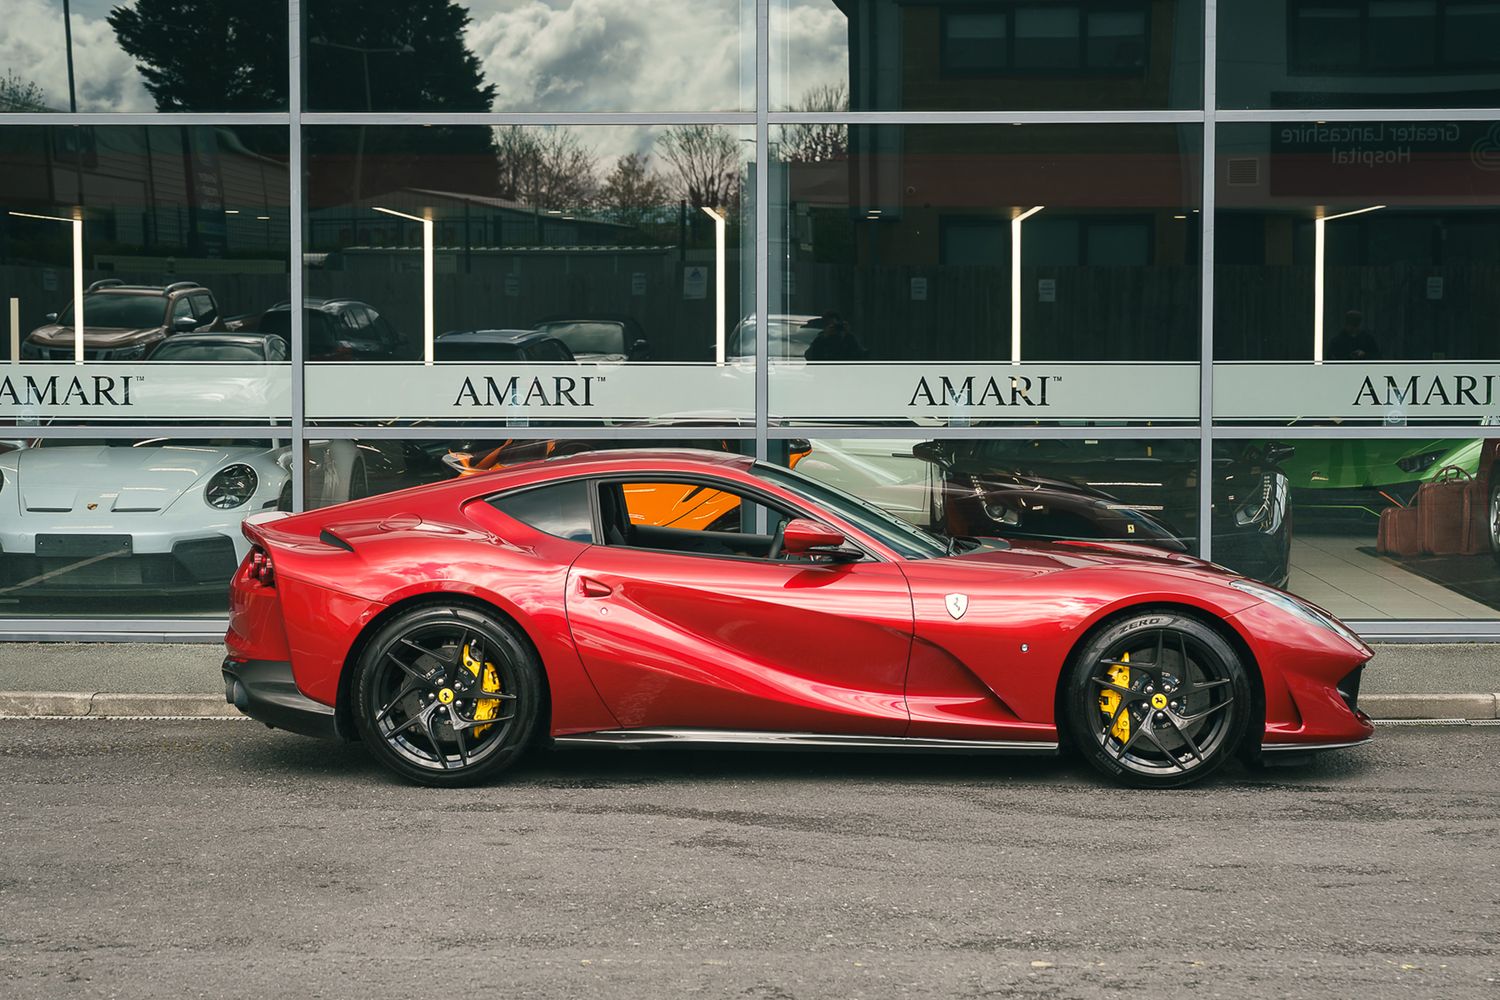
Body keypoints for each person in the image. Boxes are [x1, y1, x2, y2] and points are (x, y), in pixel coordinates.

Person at [803, 312, 867, 361]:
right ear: (825, 327)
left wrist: (847, 335)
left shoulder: (848, 339)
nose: (834, 329)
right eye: (831, 326)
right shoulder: (820, 339)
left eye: (836, 326)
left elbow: (860, 355)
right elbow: (809, 356)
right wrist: (824, 338)